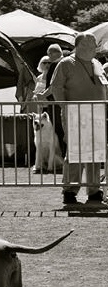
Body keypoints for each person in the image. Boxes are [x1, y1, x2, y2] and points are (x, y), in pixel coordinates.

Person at [50, 32, 107, 204]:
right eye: (89, 43)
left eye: (94, 44)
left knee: (95, 153)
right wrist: (65, 106)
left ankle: (94, 190)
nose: (94, 46)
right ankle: (70, 190)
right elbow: (56, 87)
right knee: (75, 152)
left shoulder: (96, 63)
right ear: (79, 45)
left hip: (97, 113)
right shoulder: (66, 63)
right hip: (74, 112)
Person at [37, 44, 66, 156]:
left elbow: (54, 86)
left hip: (56, 103)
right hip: (64, 101)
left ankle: (62, 156)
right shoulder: (69, 61)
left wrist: (42, 95)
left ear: (50, 54)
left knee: (59, 131)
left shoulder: (56, 65)